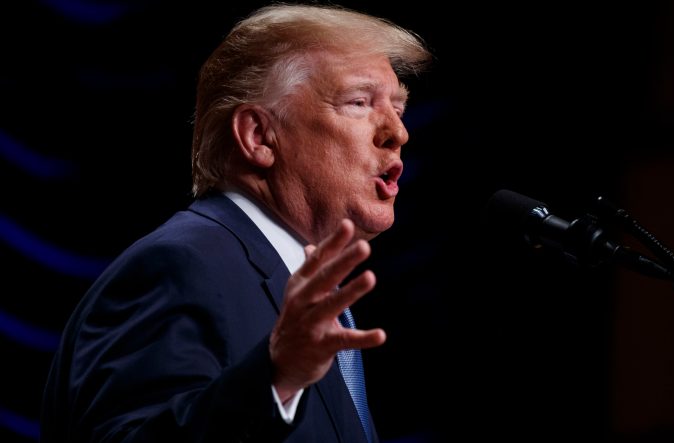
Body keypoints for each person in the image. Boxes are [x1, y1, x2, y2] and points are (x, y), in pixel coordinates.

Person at [39, 3, 432, 442]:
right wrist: (276, 378)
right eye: (359, 102)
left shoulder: (312, 300)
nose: (398, 133)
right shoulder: (181, 266)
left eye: (399, 108)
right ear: (259, 136)